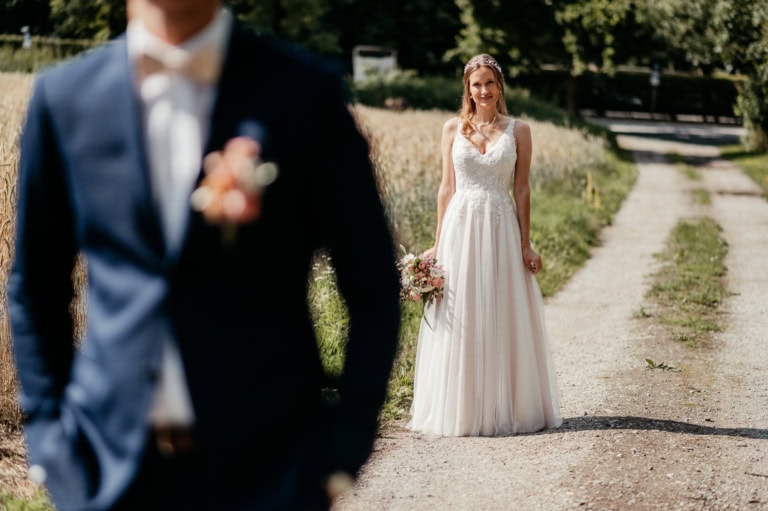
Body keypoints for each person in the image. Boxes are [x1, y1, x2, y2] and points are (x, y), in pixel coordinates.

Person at [9, 1, 401, 509]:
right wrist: (51, 444)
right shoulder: (65, 99)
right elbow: (34, 288)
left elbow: (371, 287)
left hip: (270, 472)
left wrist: (342, 448)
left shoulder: (306, 93)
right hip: (108, 471)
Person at [408, 54, 562, 437]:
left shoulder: (519, 130)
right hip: (460, 228)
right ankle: (460, 409)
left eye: (489, 83)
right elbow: (446, 189)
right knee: (461, 310)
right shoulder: (451, 129)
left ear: (500, 87)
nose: (483, 91)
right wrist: (436, 243)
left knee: (499, 307)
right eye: (476, 84)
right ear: (468, 89)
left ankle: (502, 407)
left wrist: (527, 244)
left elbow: (522, 189)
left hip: (500, 226)